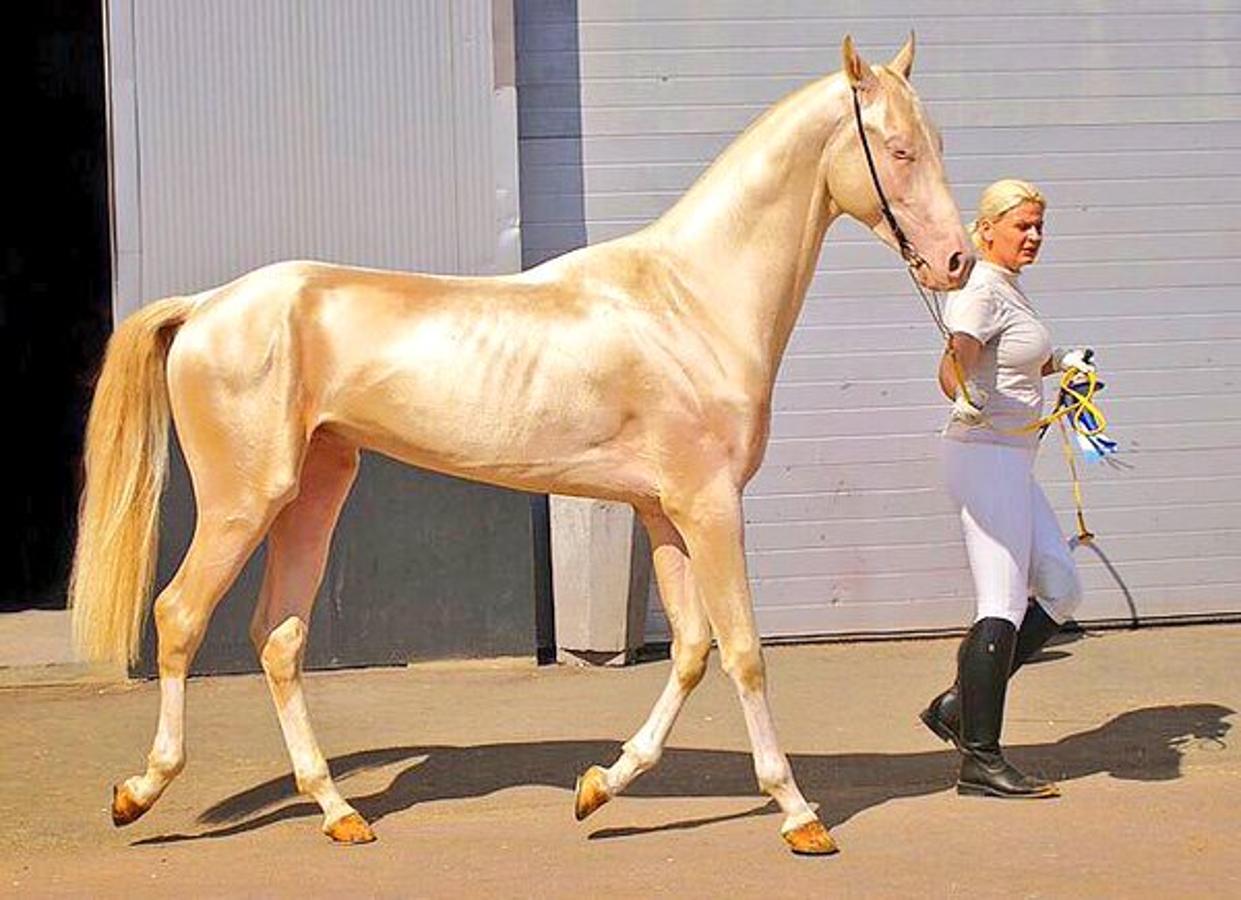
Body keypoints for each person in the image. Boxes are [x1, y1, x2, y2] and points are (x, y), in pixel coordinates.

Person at [921, 179, 1093, 799]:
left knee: (1062, 588)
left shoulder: (1009, 290)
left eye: (1039, 227)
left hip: (1012, 458)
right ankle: (980, 759)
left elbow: (1011, 359)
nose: (1034, 237)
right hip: (983, 456)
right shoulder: (982, 292)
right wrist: (962, 395)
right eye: (1023, 226)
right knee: (1003, 602)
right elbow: (954, 362)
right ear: (986, 228)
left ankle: (957, 707)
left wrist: (1063, 365)